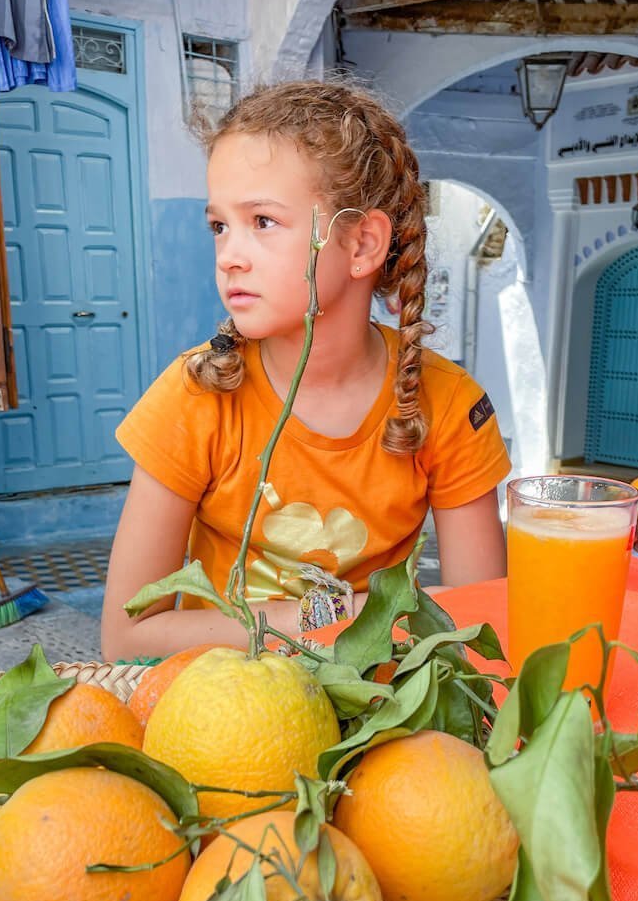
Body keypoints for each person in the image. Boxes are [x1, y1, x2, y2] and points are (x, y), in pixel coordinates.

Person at [101, 80, 510, 660]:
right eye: (219, 225)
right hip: (218, 709)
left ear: (363, 243)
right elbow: (126, 638)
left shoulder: (446, 406)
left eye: (262, 221)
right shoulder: (196, 395)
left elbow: (479, 627)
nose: (229, 255)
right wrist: (334, 616)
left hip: (379, 708)